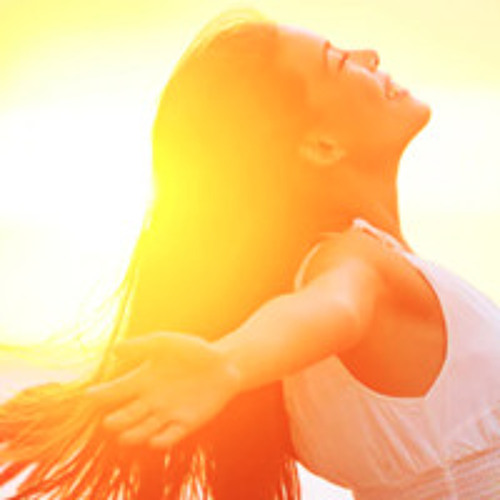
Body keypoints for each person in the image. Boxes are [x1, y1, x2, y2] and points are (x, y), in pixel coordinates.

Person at [1, 6, 499, 500]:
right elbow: (336, 306)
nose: (370, 55)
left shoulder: (300, 333)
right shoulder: (352, 263)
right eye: (340, 62)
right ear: (322, 146)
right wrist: (228, 363)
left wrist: (228, 364)